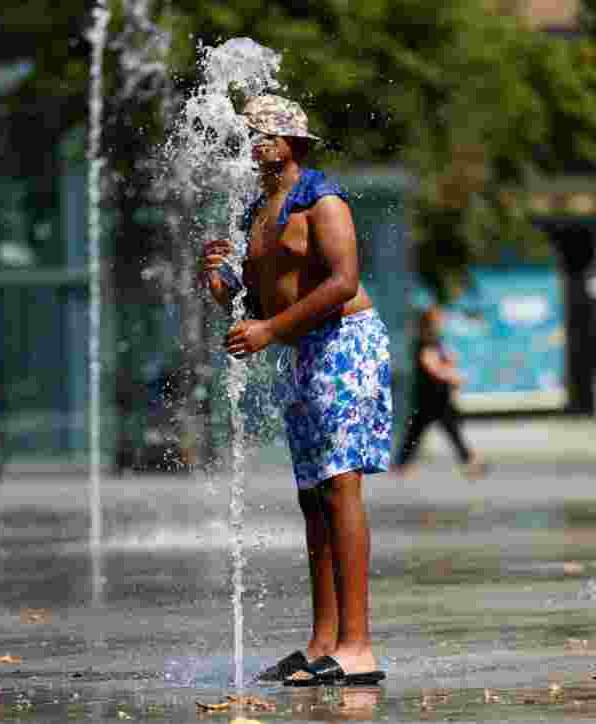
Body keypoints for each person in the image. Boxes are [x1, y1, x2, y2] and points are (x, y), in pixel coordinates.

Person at [200, 95, 391, 687]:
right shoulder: (258, 211)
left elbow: (343, 281)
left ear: (293, 144)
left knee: (340, 487)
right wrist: (219, 283)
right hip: (303, 351)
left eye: (265, 134)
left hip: (346, 344)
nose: (254, 143)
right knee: (313, 497)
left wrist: (270, 330)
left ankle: (358, 647)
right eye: (250, 134)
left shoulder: (321, 198)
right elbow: (254, 302)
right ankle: (322, 642)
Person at [393, 305, 487, 478]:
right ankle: (400, 464)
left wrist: (450, 362)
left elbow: (445, 360)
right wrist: (452, 377)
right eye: (438, 320)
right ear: (430, 322)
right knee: (418, 431)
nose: (441, 322)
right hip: (429, 397)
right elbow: (431, 365)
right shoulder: (424, 342)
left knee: (447, 430)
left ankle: (468, 461)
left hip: (439, 396)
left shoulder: (436, 341)